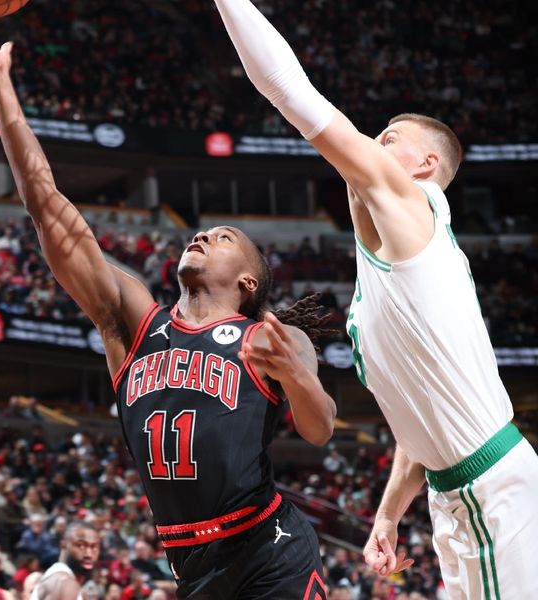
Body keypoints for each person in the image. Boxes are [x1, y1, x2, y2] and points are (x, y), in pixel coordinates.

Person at [0, 3, 336, 597]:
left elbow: (320, 428)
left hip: (267, 548)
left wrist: (299, 380)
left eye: (225, 237)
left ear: (249, 283)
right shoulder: (132, 322)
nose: (203, 233)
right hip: (191, 561)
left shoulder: (270, 339)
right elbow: (46, 204)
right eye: (204, 230)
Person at [211, 0, 538, 596]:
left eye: (388, 139)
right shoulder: (383, 275)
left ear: (425, 166)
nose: (370, 147)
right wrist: (388, 514)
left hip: (491, 489)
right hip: (457, 491)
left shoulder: (416, 206)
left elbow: (286, 87)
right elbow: (419, 429)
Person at [29, 522, 100, 600]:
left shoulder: (61, 578)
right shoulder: (64, 582)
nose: (89, 555)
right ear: (63, 545)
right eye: (81, 546)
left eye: (94, 547)